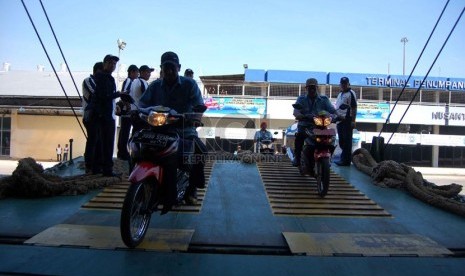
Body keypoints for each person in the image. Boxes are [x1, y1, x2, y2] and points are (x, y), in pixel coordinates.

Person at [138, 51, 206, 213]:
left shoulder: (190, 85)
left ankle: (191, 188)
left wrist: (195, 117)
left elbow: (198, 105)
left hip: (184, 129)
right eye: (165, 67)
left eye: (172, 67)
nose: (168, 71)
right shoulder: (154, 86)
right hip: (157, 129)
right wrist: (134, 111)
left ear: (179, 68)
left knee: (200, 152)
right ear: (161, 68)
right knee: (137, 147)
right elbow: (141, 104)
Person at [87, 54, 129, 177]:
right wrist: (118, 94)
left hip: (104, 113)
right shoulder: (103, 77)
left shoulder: (106, 77)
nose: (112, 65)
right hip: (103, 115)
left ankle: (98, 168)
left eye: (114, 64)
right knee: (106, 142)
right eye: (110, 63)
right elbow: (103, 96)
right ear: (104, 63)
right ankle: (106, 170)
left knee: (100, 142)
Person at [292, 78, 335, 168]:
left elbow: (332, 110)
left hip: (320, 127)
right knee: (300, 136)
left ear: (317, 88)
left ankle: (329, 156)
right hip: (305, 126)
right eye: (310, 87)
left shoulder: (324, 99)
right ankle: (297, 157)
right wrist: (299, 115)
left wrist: (336, 116)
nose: (312, 89)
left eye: (313, 87)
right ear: (306, 88)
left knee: (331, 137)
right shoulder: (301, 99)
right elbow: (296, 111)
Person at [82, 61, 104, 173]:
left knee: (99, 140)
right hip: (90, 115)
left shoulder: (101, 82)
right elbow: (96, 94)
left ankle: (97, 165)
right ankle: (89, 164)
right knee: (93, 139)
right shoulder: (88, 80)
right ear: (97, 71)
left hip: (99, 115)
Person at [117, 64, 139, 160]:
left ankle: (122, 151)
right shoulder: (129, 81)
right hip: (127, 111)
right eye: (136, 73)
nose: (137, 75)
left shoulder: (131, 81)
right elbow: (124, 93)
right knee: (125, 131)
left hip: (128, 110)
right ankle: (122, 152)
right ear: (131, 72)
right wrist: (127, 105)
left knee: (125, 130)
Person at [334, 77, 357, 166]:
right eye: (342, 83)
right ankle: (345, 158)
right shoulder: (340, 94)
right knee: (342, 141)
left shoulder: (351, 93)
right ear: (340, 84)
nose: (343, 85)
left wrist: (353, 121)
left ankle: (346, 160)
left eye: (345, 83)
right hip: (339, 121)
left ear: (348, 84)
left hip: (347, 120)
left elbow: (354, 108)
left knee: (347, 141)